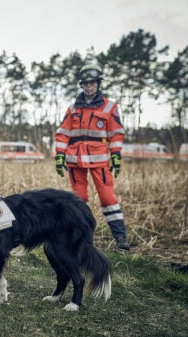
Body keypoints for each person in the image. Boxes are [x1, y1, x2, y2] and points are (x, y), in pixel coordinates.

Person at [54, 64, 130, 250]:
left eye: (92, 83)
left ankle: (120, 238)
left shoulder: (110, 107)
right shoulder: (73, 109)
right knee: (79, 200)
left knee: (107, 198)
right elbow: (63, 133)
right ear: (82, 85)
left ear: (98, 84)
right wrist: (59, 155)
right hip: (75, 160)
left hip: (99, 160)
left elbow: (116, 133)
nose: (89, 86)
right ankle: (82, 239)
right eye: (86, 83)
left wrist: (116, 155)